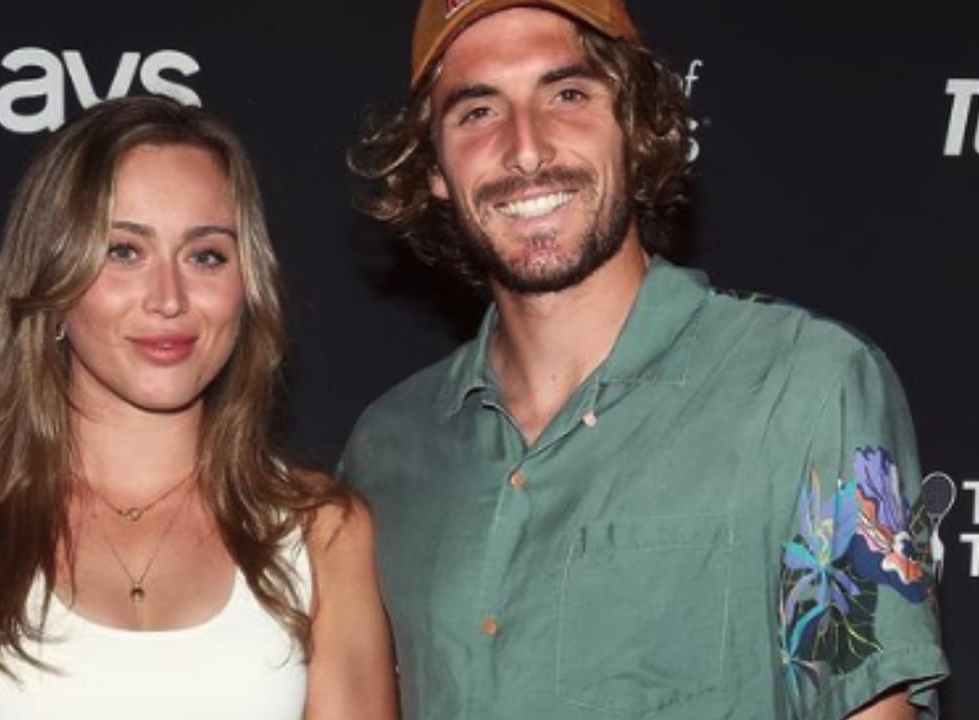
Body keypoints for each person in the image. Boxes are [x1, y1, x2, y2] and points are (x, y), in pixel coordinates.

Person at [342, 1, 948, 718]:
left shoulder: (803, 386)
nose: (526, 149)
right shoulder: (386, 451)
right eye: (478, 112)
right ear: (434, 170)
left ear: (635, 125)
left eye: (567, 95)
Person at [0, 96, 396, 720]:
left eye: (205, 256)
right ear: (53, 277)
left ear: (247, 286)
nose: (169, 298)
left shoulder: (323, 533)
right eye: (124, 251)